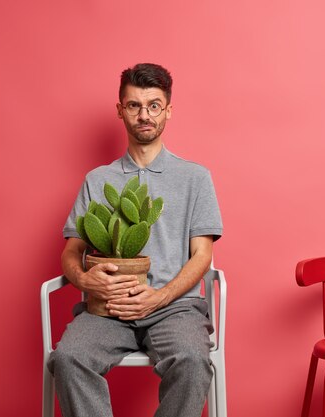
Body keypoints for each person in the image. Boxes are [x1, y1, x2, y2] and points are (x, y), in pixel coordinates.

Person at [48, 63, 223, 417]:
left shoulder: (195, 178)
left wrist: (158, 297)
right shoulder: (98, 180)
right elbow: (71, 253)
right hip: (107, 309)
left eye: (154, 105)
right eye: (134, 106)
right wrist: (83, 280)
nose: (145, 115)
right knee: (68, 359)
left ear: (168, 111)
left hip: (175, 308)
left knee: (191, 360)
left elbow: (202, 255)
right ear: (120, 110)